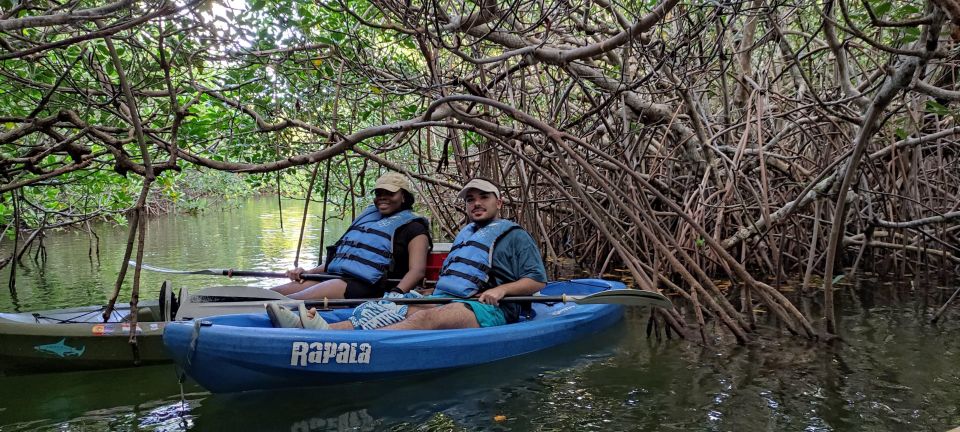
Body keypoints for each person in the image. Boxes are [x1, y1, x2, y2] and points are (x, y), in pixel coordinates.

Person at [267, 177, 547, 330]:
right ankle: (321, 333)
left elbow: (537, 281)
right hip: (455, 299)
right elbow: (456, 280)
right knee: (387, 308)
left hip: (495, 310)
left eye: (483, 198)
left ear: (498, 202)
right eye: (471, 199)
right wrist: (423, 294)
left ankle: (356, 347)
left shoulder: (515, 236)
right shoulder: (467, 233)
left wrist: (502, 291)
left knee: (425, 318)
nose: (476, 204)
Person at [269, 172, 431, 307]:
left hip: (372, 286)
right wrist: (308, 273)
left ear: (403, 196)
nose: (382, 197)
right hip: (338, 278)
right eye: (379, 193)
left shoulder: (415, 228)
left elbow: (417, 271)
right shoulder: (370, 219)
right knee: (273, 293)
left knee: (289, 302)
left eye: (389, 193)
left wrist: (396, 294)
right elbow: (345, 259)